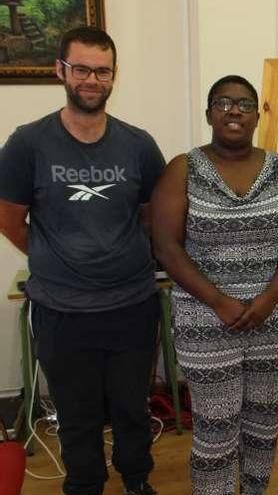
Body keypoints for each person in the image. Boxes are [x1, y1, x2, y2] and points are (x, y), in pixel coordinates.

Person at [0, 27, 164, 495]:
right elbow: (10, 218)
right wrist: (54, 258)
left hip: (131, 304)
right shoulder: (27, 144)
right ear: (61, 71)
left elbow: (152, 217)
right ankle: (85, 485)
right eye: (82, 69)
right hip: (62, 310)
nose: (92, 79)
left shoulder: (138, 145)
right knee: (76, 414)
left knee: (133, 407)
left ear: (113, 76)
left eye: (102, 70)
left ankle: (137, 481)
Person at [150, 75, 278, 495]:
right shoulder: (183, 169)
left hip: (271, 320)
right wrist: (220, 302)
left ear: (257, 114)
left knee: (262, 423)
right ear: (208, 114)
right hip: (205, 321)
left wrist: (269, 299)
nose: (234, 110)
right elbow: (166, 248)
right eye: (222, 102)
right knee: (216, 431)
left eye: (244, 103)